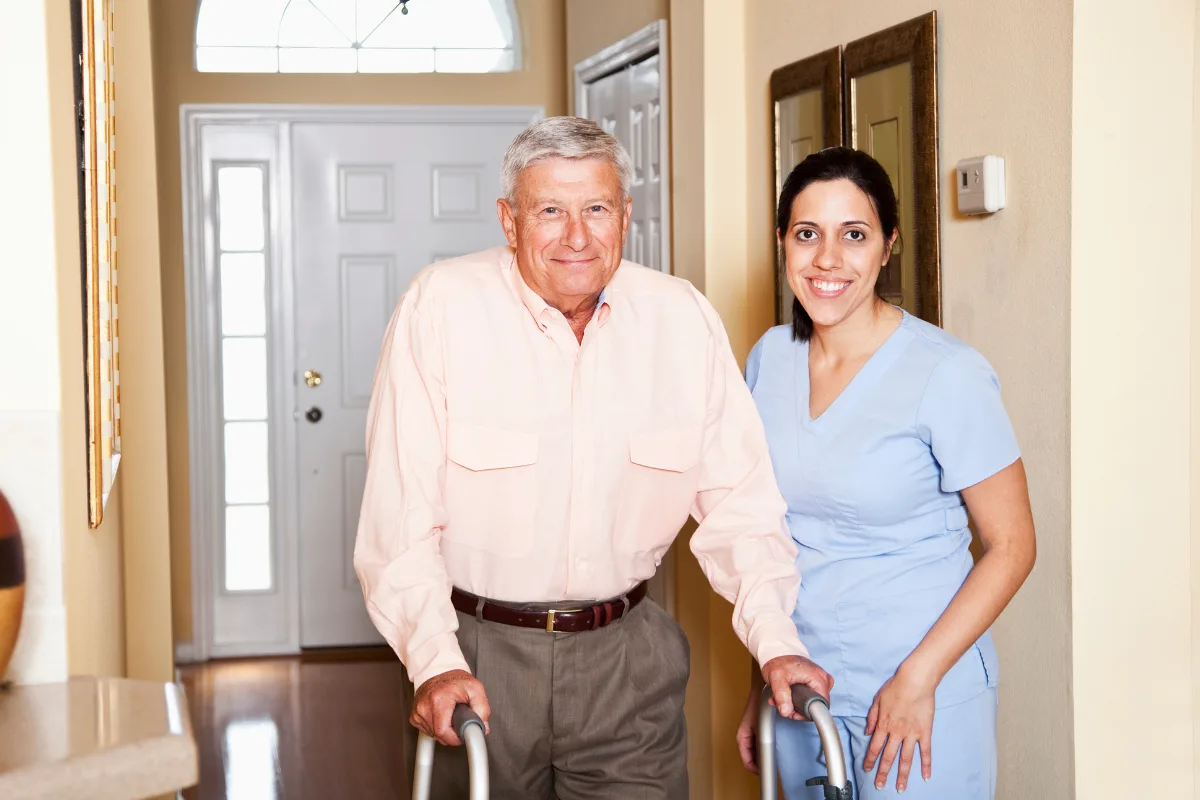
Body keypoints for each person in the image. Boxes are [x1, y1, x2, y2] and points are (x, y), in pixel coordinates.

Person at [353, 116, 832, 800]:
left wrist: (777, 641)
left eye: (596, 209)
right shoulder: (441, 307)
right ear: (509, 221)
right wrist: (434, 662)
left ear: (625, 216)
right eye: (550, 210)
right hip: (479, 655)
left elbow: (741, 509)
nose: (576, 236)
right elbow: (398, 519)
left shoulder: (681, 318)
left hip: (629, 659)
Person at [735, 147, 1036, 799]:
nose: (827, 260)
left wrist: (918, 679)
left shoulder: (945, 373)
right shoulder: (769, 359)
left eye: (854, 235)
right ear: (782, 241)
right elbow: (755, 530)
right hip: (802, 689)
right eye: (807, 233)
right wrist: (763, 670)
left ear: (888, 245)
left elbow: (1012, 548)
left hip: (917, 692)